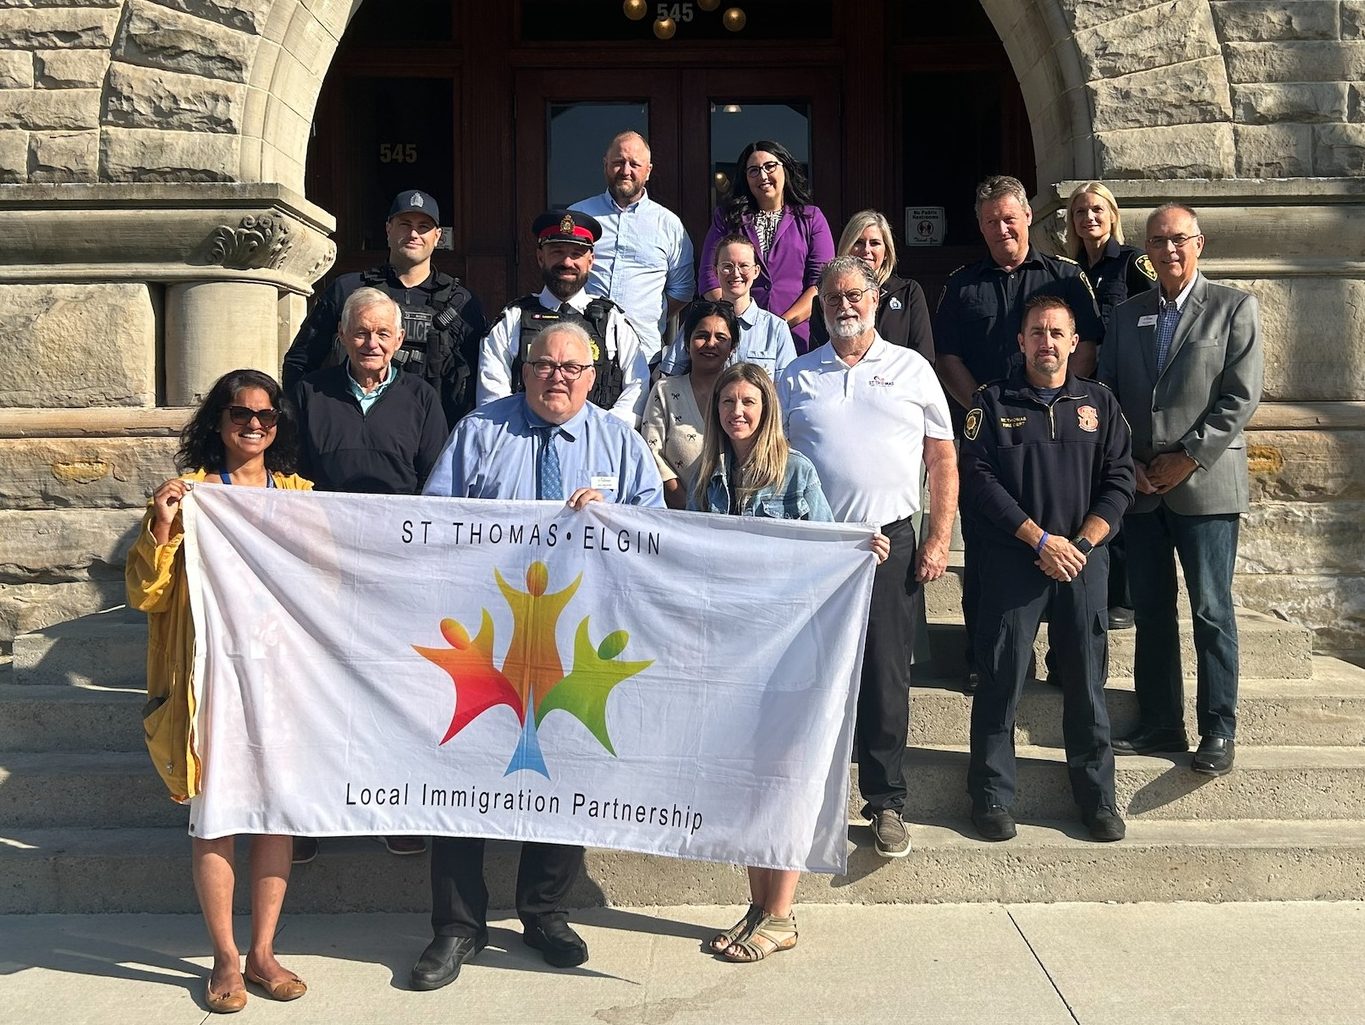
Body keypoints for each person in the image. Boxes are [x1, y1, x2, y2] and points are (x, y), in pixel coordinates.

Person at [414, 321, 664, 991]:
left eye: (571, 367)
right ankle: (458, 924)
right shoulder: (478, 432)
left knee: (563, 770)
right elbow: (433, 520)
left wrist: (614, 515)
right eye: (544, 364)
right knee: (462, 773)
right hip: (487, 638)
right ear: (522, 371)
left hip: (574, 641)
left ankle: (543, 911)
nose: (557, 375)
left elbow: (657, 527)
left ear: (593, 376)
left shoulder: (618, 441)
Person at [125, 369, 311, 1013]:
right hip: (210, 684)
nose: (253, 424)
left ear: (279, 426)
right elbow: (146, 595)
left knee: (274, 816)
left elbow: (329, 583)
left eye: (265, 415)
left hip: (281, 681)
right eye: (239, 413)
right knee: (215, 818)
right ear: (218, 422)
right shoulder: (192, 497)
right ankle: (225, 958)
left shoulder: (299, 496)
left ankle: (264, 950)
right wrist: (164, 528)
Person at [693, 361, 888, 962]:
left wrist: (860, 550)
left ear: (766, 408)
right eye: (727, 403)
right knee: (747, 779)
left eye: (748, 401)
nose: (737, 412)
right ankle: (757, 906)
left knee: (780, 776)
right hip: (735, 654)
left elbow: (826, 545)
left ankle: (781, 914)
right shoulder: (711, 479)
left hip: (791, 653)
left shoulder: (795, 472)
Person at [779, 256, 957, 859]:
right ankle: (807, 796)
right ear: (820, 307)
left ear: (877, 300)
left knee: (885, 674)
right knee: (813, 675)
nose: (844, 306)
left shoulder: (913, 370)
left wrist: (937, 539)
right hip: (816, 548)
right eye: (832, 298)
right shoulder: (797, 377)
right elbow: (768, 462)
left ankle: (885, 802)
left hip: (889, 543)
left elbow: (942, 461)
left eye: (854, 295)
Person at [959, 296, 1135, 843]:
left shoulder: (1100, 404)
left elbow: (1121, 480)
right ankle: (991, 796)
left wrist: (1079, 543)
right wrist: (1039, 539)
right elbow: (979, 479)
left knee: (1086, 683)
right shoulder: (991, 403)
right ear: (1021, 341)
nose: (1047, 342)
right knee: (1001, 680)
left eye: (1057, 332)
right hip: (1015, 562)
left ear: (1074, 341)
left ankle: (1098, 799)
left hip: (1082, 564)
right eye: (1037, 332)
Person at [1099, 203, 1264, 778]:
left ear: (1200, 243)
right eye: (1157, 241)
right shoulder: (1127, 316)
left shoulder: (1232, 308)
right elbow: (1111, 395)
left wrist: (1189, 457)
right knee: (1151, 609)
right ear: (1144, 249)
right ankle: (1161, 722)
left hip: (1206, 486)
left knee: (1211, 609)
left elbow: (1240, 396)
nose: (1168, 250)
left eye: (1178, 239)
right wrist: (1131, 465)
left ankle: (1218, 728)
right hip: (1143, 487)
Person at [292, 287, 448, 861]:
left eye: (384, 333)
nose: (371, 343)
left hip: (397, 572)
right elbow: (286, 480)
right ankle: (310, 813)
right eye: (361, 332)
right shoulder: (309, 393)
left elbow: (438, 486)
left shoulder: (422, 397)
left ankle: (396, 807)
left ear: (400, 340)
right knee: (319, 690)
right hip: (322, 567)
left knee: (394, 686)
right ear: (342, 336)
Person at [935, 174, 1104, 694]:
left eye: (1010, 218)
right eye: (990, 222)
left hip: (1058, 438)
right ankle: (984, 657)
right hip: (990, 439)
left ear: (1028, 216)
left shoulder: (1066, 277)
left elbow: (1090, 344)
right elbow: (948, 358)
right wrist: (984, 408)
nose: (1001, 228)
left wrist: (1062, 396)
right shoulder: (963, 285)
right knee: (987, 551)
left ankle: (1064, 658)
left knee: (1063, 541)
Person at [281, 189, 486, 427]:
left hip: (434, 438)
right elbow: (300, 362)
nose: (413, 234)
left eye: (423, 227)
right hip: (351, 427)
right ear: (388, 229)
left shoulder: (461, 303)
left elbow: (478, 381)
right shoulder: (348, 290)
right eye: (404, 224)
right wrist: (304, 423)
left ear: (437, 236)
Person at [1065, 182, 1159, 632]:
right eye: (1080, 211)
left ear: (1112, 214)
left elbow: (1163, 316)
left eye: (1097, 209)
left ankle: (1126, 597)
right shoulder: (1073, 270)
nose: (1089, 217)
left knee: (1121, 490)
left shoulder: (1133, 262)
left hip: (1124, 391)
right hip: (1084, 393)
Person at [477, 209, 650, 424]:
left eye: (577, 254)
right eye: (557, 251)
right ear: (541, 257)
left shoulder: (613, 321)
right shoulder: (513, 319)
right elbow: (492, 395)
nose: (567, 262)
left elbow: (638, 386)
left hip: (598, 446)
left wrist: (602, 431)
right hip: (523, 439)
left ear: (591, 260)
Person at [569, 130, 696, 364]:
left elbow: (682, 290)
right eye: (618, 162)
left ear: (648, 171)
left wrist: (649, 314)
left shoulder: (669, 225)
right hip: (580, 347)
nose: (626, 171)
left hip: (643, 353)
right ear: (605, 165)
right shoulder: (579, 217)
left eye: (634, 164)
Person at [698, 140, 834, 350]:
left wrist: (779, 325)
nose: (762, 176)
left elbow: (821, 284)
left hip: (796, 337)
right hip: (737, 337)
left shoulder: (811, 218)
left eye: (770, 167)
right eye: (753, 170)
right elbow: (709, 277)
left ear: (785, 169)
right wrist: (733, 321)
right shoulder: (727, 218)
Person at [641, 300, 739, 509]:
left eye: (721, 337)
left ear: (732, 347)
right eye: (702, 336)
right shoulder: (665, 390)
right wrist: (688, 508)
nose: (711, 343)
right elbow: (652, 453)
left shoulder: (741, 396)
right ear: (686, 343)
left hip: (734, 521)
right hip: (675, 517)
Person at [658, 235, 797, 378]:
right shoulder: (697, 322)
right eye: (727, 266)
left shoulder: (775, 329)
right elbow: (671, 377)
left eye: (744, 266)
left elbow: (787, 388)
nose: (736, 274)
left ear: (756, 271)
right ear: (715, 271)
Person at [809, 209, 934, 362]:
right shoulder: (827, 299)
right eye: (858, 242)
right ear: (846, 247)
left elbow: (924, 357)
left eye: (874, 243)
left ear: (886, 251)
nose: (866, 250)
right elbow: (817, 358)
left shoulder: (908, 292)